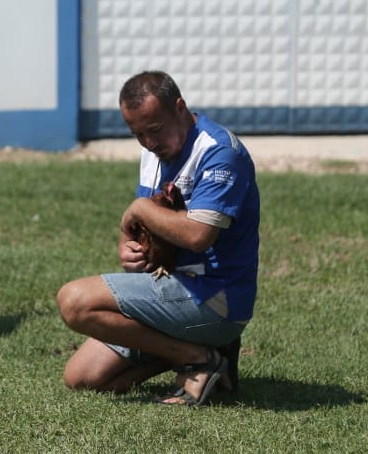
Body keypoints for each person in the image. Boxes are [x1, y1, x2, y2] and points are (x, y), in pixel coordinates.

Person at [56, 70, 260, 406]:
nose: (149, 143)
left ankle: (199, 357)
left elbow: (198, 236)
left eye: (155, 130)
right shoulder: (154, 153)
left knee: (74, 301)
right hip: (170, 289)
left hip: (214, 299)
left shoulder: (220, 152)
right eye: (138, 134)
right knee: (82, 378)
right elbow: (149, 228)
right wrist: (131, 248)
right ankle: (199, 355)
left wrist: (138, 208)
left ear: (179, 108)